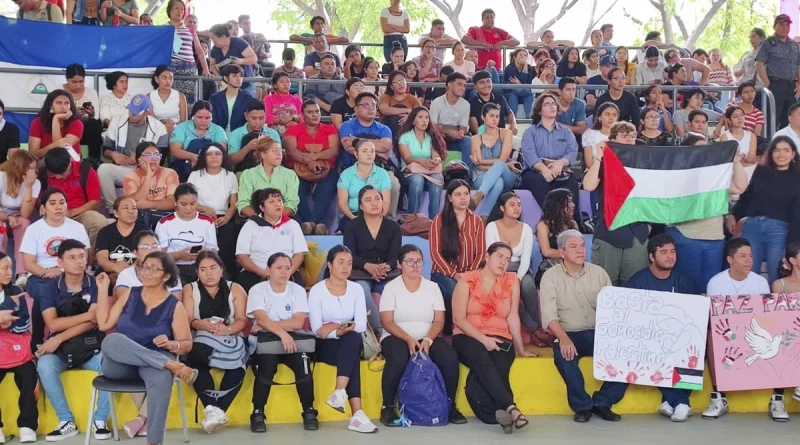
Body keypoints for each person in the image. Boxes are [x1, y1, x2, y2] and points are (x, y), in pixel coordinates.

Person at [95, 251, 196, 445]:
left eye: (154, 269)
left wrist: (171, 344)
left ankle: (154, 442)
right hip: (120, 364)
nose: (147, 272)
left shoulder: (175, 306)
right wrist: (102, 289)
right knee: (112, 340)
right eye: (144, 267)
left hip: (151, 364)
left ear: (166, 276)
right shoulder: (129, 295)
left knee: (162, 376)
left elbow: (186, 344)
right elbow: (104, 325)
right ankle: (172, 365)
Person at [540, 229, 627, 422]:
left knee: (626, 354)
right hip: (569, 333)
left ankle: (602, 402)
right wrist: (563, 338)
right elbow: (549, 315)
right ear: (561, 252)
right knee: (564, 356)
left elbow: (613, 309)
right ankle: (582, 406)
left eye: (582, 246)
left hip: (599, 332)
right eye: (573, 247)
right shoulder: (550, 277)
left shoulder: (599, 273)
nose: (580, 251)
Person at [378, 244, 466, 426]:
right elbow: (387, 321)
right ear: (399, 264)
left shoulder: (432, 287)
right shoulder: (391, 288)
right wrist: (408, 338)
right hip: (396, 335)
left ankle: (449, 406)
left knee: (449, 357)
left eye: (418, 262)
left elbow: (439, 321)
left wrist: (427, 338)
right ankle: (387, 407)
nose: (415, 266)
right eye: (409, 262)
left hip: (427, 336)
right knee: (399, 358)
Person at [451, 241, 534, 433]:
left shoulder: (512, 281)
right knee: (482, 359)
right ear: (487, 257)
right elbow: (458, 318)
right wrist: (484, 339)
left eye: (507, 259)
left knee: (500, 368)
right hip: (467, 335)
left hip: (500, 336)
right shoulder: (466, 280)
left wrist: (520, 348)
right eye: (499, 257)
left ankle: (493, 416)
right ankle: (512, 408)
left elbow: (513, 316)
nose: (503, 262)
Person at [703, 237, 789, 421]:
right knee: (711, 334)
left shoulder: (760, 282)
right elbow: (716, 320)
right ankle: (719, 398)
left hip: (754, 332)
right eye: (742, 256)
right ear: (730, 259)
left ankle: (777, 400)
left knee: (781, 333)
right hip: (728, 337)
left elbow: (766, 318)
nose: (749, 260)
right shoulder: (716, 282)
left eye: (750, 255)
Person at [35, 239, 112, 442]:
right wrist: (88, 316)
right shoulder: (49, 287)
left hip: (90, 346)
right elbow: (52, 324)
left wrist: (59, 336)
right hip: (61, 350)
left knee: (110, 364)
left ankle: (100, 419)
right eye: (72, 257)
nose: (79, 261)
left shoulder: (97, 282)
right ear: (60, 262)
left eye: (82, 256)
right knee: (44, 366)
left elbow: (96, 320)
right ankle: (66, 421)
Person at [623, 234, 699, 421]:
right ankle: (681, 402)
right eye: (663, 252)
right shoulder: (638, 282)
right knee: (655, 346)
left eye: (672, 251)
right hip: (649, 339)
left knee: (693, 344)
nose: (669, 256)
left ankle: (670, 401)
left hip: (677, 339)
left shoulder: (684, 281)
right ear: (651, 256)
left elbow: (693, 316)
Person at [307, 245, 378, 433]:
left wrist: (334, 326)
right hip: (325, 346)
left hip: (348, 342)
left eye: (349, 263)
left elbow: (361, 325)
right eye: (340, 262)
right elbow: (317, 330)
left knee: (353, 340)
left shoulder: (356, 289)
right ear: (329, 265)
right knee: (352, 345)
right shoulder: (317, 290)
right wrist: (339, 330)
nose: (346, 267)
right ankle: (356, 414)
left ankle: (340, 394)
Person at [246, 252, 318, 433]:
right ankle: (258, 412)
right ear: (268, 270)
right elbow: (260, 317)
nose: (284, 272)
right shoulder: (258, 290)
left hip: (293, 342)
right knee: (266, 365)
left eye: (287, 268)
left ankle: (309, 411)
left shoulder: (297, 290)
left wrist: (267, 326)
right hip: (268, 343)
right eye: (279, 268)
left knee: (303, 364)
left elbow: (298, 322)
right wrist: (282, 333)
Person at [667, 135, 747, 290]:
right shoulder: (677, 173)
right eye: (700, 147)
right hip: (686, 236)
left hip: (715, 238)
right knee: (689, 288)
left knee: (711, 288)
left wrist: (736, 162)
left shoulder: (717, 175)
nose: (706, 151)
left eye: (707, 147)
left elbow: (740, 187)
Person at [180, 251, 247, 434]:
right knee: (195, 361)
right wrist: (198, 323)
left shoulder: (236, 289)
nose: (208, 273)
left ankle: (216, 411)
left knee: (238, 367)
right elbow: (185, 318)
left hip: (229, 338)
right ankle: (214, 409)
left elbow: (242, 320)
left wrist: (228, 329)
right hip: (201, 338)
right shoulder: (190, 289)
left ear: (221, 269)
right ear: (197, 272)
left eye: (213, 268)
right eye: (203, 269)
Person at [20, 187, 90, 348]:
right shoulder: (34, 229)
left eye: (62, 203)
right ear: (43, 208)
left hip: (70, 273)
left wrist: (62, 271)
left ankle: (72, 339)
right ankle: (37, 338)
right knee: (44, 293)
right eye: (53, 203)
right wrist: (47, 273)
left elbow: (84, 257)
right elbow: (28, 263)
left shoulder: (76, 228)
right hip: (40, 276)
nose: (59, 207)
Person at [582, 122, 649, 285]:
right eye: (624, 136)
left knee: (634, 286)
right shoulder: (604, 162)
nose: (629, 139)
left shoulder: (644, 163)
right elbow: (588, 185)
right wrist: (599, 156)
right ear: (612, 139)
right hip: (608, 232)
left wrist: (649, 225)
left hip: (637, 232)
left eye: (632, 136)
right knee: (605, 285)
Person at [731, 136, 800, 284]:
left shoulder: (797, 176)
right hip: (752, 227)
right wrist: (734, 215)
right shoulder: (761, 170)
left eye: (786, 150)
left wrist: (794, 243)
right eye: (777, 150)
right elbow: (747, 196)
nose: (781, 154)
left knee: (777, 272)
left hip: (780, 231)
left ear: (793, 154)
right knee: (749, 272)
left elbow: (797, 212)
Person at [486, 192, 544, 344]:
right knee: (509, 294)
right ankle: (535, 331)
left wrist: (516, 279)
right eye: (512, 205)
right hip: (498, 269)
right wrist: (508, 281)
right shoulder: (492, 227)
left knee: (528, 287)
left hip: (520, 269)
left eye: (519, 205)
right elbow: (493, 256)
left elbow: (525, 260)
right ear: (502, 208)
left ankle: (535, 328)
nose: (517, 208)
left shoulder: (526, 229)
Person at [430, 179, 486, 335]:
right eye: (458, 195)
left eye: (466, 194)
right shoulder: (439, 220)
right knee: (453, 289)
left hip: (470, 272)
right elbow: (435, 253)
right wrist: (455, 275)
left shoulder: (477, 221)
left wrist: (469, 275)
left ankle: (476, 330)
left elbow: (481, 252)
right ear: (449, 198)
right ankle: (449, 331)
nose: (463, 198)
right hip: (443, 273)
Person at [343, 185, 401, 332]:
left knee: (393, 290)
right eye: (368, 200)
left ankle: (400, 329)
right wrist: (368, 266)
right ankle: (382, 331)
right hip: (360, 272)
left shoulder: (393, 227)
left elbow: (395, 257)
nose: (374, 203)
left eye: (377, 199)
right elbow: (350, 255)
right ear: (361, 206)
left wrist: (385, 267)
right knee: (362, 289)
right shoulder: (352, 226)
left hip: (386, 273)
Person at [99, 93, 169, 213]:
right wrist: (114, 154)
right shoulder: (117, 121)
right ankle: (113, 210)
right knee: (103, 170)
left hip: (148, 171)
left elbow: (160, 158)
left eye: (136, 113)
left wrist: (139, 159)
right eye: (131, 110)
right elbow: (106, 149)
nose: (132, 115)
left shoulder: (159, 127)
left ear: (147, 112)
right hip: (125, 168)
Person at [520, 93, 581, 223]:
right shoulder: (530, 132)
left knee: (572, 182)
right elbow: (529, 154)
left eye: (554, 104)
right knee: (538, 181)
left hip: (560, 169)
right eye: (547, 104)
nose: (552, 106)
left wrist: (560, 163)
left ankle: (573, 220)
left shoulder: (566, 132)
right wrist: (543, 169)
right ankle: (554, 219)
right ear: (539, 110)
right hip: (536, 170)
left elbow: (572, 151)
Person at [236, 188, 307, 293]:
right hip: (257, 273)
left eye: (279, 201)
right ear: (262, 207)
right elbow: (241, 257)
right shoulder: (251, 225)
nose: (278, 204)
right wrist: (263, 273)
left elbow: (299, 254)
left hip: (287, 272)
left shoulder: (292, 224)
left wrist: (287, 273)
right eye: (272, 202)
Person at [284, 100, 339, 234]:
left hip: (325, 169)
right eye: (310, 112)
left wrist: (313, 158)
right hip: (298, 168)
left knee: (326, 188)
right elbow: (292, 151)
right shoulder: (293, 129)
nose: (315, 115)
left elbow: (334, 150)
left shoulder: (329, 128)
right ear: (302, 114)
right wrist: (309, 162)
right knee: (298, 189)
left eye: (317, 112)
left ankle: (310, 223)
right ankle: (314, 224)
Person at [42, 147, 109, 256]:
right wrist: (44, 208)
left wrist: (72, 212)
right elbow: (38, 200)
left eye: (62, 173)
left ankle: (90, 260)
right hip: (53, 213)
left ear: (70, 162)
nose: (58, 177)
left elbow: (94, 201)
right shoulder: (43, 174)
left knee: (99, 222)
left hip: (80, 213)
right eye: (54, 175)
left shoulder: (86, 171)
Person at [0, 251, 37, 444]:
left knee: (29, 374)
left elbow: (23, 324)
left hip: (16, 349)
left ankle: (27, 425)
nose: (9, 272)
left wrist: (8, 323)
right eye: (5, 268)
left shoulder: (16, 292)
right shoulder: (9, 299)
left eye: (11, 268)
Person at [187, 144, 239, 277]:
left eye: (218, 154)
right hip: (200, 216)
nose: (214, 157)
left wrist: (227, 217)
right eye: (209, 154)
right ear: (204, 157)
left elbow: (234, 204)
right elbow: (189, 201)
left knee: (228, 236)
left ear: (223, 157)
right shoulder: (195, 175)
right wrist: (204, 209)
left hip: (223, 217)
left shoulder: (230, 176)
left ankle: (226, 276)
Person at [155, 183, 218, 283]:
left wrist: (204, 251)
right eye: (183, 204)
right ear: (175, 202)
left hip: (200, 266)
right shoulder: (164, 223)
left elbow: (214, 251)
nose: (188, 208)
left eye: (193, 204)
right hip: (173, 266)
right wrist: (178, 255)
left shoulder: (207, 222)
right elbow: (159, 255)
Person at [396, 106, 445, 216]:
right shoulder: (404, 137)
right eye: (420, 117)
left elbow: (436, 155)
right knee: (417, 180)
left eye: (427, 118)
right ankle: (413, 218)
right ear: (413, 121)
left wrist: (436, 160)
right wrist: (421, 161)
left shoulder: (431, 137)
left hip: (428, 171)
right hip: (410, 172)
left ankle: (433, 220)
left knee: (438, 177)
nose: (424, 120)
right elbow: (407, 159)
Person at [336, 138, 394, 231]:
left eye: (372, 151)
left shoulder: (383, 173)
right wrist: (353, 218)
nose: (369, 154)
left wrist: (377, 219)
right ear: (356, 154)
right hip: (353, 215)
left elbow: (386, 201)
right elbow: (342, 202)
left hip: (376, 216)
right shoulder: (346, 174)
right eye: (364, 151)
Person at [469, 103, 516, 217]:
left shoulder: (506, 133)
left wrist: (480, 161)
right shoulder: (475, 138)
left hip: (507, 174)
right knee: (498, 181)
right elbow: (479, 168)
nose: (495, 119)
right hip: (482, 175)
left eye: (497, 116)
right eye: (491, 116)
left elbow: (502, 159)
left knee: (500, 165)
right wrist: (502, 165)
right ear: (483, 117)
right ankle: (485, 217)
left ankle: (479, 195)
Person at [237, 137, 300, 218]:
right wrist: (260, 219)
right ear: (263, 154)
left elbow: (292, 203)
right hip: (256, 218)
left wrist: (275, 219)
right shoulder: (248, 174)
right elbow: (243, 203)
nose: (279, 153)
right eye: (274, 150)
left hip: (283, 217)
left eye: (280, 150)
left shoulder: (290, 174)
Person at [122, 142, 180, 229]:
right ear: (138, 159)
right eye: (149, 155)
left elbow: (172, 203)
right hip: (140, 217)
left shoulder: (170, 173)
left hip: (164, 215)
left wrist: (145, 204)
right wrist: (148, 175)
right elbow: (134, 202)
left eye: (157, 155)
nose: (154, 159)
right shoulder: (131, 176)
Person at [756, 14, 800, 129]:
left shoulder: (794, 45)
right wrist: (767, 83)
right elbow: (759, 64)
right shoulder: (767, 43)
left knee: (791, 117)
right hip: (775, 84)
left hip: (792, 86)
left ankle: (787, 144)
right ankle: (772, 143)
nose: (785, 27)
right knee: (773, 117)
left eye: (787, 25)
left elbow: (798, 65)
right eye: (781, 25)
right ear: (774, 26)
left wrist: (799, 83)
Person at [0, 151, 39, 277]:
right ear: (19, 168)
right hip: (2, 217)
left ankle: (21, 273)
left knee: (25, 223)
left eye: (35, 168)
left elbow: (25, 213)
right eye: (30, 169)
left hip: (18, 218)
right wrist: (7, 217)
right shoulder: (1, 177)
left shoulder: (35, 183)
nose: (34, 172)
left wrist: (28, 187)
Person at [169, 100, 228, 182]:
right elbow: (174, 150)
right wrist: (191, 156)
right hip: (183, 165)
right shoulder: (182, 127)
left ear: (212, 118)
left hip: (210, 165)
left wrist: (203, 160)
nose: (203, 121)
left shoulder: (218, 130)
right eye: (199, 117)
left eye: (207, 118)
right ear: (193, 116)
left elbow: (221, 151)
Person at [167, 0, 210, 105]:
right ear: (169, 11)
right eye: (176, 8)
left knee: (190, 101)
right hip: (170, 69)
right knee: (172, 100)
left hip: (189, 68)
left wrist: (205, 69)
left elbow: (199, 49)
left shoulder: (190, 29)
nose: (179, 11)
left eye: (182, 9)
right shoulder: (163, 28)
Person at [534, 188, 578, 290]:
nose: (573, 205)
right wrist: (568, 253)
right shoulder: (544, 225)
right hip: (550, 269)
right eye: (570, 202)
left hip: (571, 267)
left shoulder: (573, 224)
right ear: (559, 205)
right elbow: (547, 252)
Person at [95, 196, 146, 278]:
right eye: (125, 208)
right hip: (111, 274)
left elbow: (149, 256)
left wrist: (128, 270)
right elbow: (102, 259)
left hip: (137, 273)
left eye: (134, 208)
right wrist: (116, 267)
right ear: (116, 213)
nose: (131, 211)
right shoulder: (105, 232)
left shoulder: (145, 232)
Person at [28, 89, 83, 160]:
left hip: (70, 163)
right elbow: (33, 155)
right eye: (58, 103)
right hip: (44, 163)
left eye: (67, 103)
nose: (63, 107)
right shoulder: (37, 122)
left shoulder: (77, 123)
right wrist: (53, 146)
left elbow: (61, 152)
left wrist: (56, 118)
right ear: (51, 106)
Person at [62, 64, 102, 159]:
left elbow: (95, 118)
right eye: (74, 82)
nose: (78, 85)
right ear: (67, 79)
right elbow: (51, 112)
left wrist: (91, 114)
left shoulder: (91, 92)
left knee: (95, 124)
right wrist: (73, 114)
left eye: (81, 81)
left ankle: (93, 160)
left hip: (85, 129)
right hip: (65, 127)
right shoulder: (57, 91)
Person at [429, 72, 471, 158]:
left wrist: (460, 133)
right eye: (459, 84)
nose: (463, 88)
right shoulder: (437, 102)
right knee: (433, 138)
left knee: (468, 140)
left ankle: (467, 170)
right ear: (450, 85)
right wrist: (449, 131)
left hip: (455, 139)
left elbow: (463, 127)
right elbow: (432, 126)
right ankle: (436, 169)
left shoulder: (466, 104)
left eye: (464, 85)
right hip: (439, 137)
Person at [469, 70, 517, 137]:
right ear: (475, 86)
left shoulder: (500, 98)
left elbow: (509, 112)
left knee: (522, 144)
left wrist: (513, 124)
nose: (486, 85)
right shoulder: (471, 103)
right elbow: (476, 129)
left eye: (488, 81)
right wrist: (491, 136)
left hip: (502, 137)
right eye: (481, 82)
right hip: (482, 138)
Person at [209, 64, 253, 134]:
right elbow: (212, 121)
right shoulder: (215, 98)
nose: (239, 79)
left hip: (241, 135)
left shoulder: (248, 98)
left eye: (240, 76)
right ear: (226, 78)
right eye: (234, 75)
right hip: (218, 135)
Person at [378, 71, 421, 136]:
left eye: (403, 81)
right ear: (391, 86)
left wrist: (410, 117)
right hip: (388, 132)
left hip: (408, 132)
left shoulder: (413, 99)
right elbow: (384, 110)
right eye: (398, 82)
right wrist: (408, 110)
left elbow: (419, 113)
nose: (401, 84)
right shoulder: (385, 97)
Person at [149, 65, 188, 136]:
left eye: (171, 78)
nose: (168, 81)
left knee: (170, 126)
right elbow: (150, 120)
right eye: (164, 78)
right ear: (156, 79)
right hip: (156, 130)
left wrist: (173, 124)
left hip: (177, 130)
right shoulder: (149, 97)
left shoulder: (180, 96)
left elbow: (184, 122)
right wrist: (163, 122)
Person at [264, 71, 302, 137]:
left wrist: (292, 117)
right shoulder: (268, 99)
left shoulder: (297, 99)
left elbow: (303, 117)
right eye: (282, 82)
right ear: (275, 85)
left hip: (294, 130)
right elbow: (266, 117)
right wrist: (283, 120)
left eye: (288, 82)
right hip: (274, 133)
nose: (285, 84)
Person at [583, 102, 618, 169]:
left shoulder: (621, 135)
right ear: (600, 117)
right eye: (607, 114)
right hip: (594, 172)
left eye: (614, 115)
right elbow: (589, 163)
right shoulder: (590, 134)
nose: (611, 118)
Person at [503, 49, 536, 118]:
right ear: (515, 57)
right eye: (520, 55)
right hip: (511, 91)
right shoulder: (509, 68)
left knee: (528, 95)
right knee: (515, 94)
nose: (523, 57)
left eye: (525, 55)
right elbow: (519, 83)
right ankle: (512, 118)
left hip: (523, 91)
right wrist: (524, 70)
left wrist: (519, 83)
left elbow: (528, 83)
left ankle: (529, 117)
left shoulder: (529, 68)